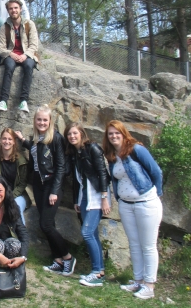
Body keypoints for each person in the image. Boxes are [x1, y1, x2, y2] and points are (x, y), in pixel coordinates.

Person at [103, 120, 163, 300]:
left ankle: (149, 285)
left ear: (123, 134)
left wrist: (157, 193)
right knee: (134, 244)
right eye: (110, 134)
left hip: (146, 203)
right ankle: (138, 280)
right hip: (126, 205)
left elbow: (156, 171)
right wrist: (119, 199)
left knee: (148, 245)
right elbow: (116, 179)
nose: (114, 136)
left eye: (117, 133)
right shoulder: (113, 155)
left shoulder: (136, 150)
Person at [15, 104, 76, 275]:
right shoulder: (37, 138)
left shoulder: (56, 138)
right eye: (39, 119)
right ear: (35, 121)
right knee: (48, 224)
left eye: (45, 120)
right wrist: (22, 140)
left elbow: (61, 167)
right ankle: (57, 260)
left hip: (51, 185)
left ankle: (68, 257)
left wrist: (55, 191)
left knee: (46, 224)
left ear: (50, 122)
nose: (42, 122)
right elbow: (36, 151)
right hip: (39, 185)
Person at [64, 122, 111, 287]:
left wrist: (105, 197)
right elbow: (78, 180)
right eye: (69, 134)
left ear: (81, 133)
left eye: (75, 133)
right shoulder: (74, 153)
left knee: (86, 233)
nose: (72, 137)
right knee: (93, 234)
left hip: (97, 196)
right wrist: (77, 199)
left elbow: (103, 173)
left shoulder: (93, 148)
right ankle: (100, 271)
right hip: (84, 197)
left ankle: (96, 272)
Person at [0, 0, 39, 113]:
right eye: (11, 8)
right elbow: (0, 48)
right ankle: (3, 101)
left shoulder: (29, 25)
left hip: (26, 55)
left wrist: (26, 55)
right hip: (11, 55)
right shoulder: (4, 27)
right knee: (9, 67)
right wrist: (11, 54)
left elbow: (34, 44)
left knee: (29, 66)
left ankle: (23, 101)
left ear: (20, 9)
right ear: (8, 11)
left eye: (16, 8)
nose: (13, 10)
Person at [0, 128, 31, 225]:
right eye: (4, 138)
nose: (6, 141)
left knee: (15, 206)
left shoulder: (21, 160)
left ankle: (22, 238)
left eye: (10, 139)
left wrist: (9, 197)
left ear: (14, 142)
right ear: (0, 140)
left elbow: (22, 184)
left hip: (18, 195)